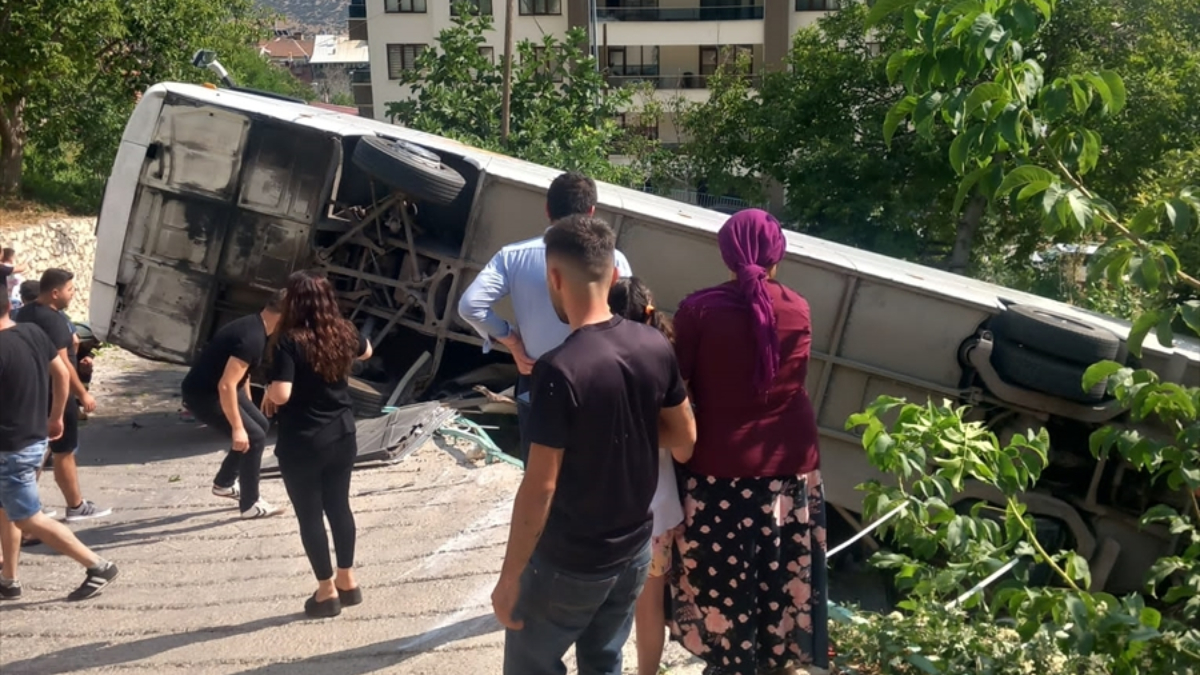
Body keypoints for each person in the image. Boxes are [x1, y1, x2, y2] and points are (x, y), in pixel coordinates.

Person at [491, 215, 696, 675]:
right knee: (604, 661)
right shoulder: (654, 346)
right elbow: (685, 436)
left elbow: (541, 487)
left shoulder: (557, 371)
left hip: (570, 560)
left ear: (555, 277)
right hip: (634, 552)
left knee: (531, 665)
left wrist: (509, 578)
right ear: (615, 275)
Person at [667, 209, 829, 675]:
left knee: (720, 580)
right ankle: (775, 661)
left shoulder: (698, 310)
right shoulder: (798, 307)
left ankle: (728, 662)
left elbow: (678, 385)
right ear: (779, 252)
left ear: (727, 252)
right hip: (790, 467)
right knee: (781, 575)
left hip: (719, 467)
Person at [457, 171, 634, 463]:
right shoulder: (613, 260)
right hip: (597, 382)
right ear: (591, 212)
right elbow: (628, 318)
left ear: (548, 210)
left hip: (539, 378)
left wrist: (512, 342)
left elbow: (470, 305)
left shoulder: (513, 256)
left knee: (540, 472)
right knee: (592, 471)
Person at [262, 269, 372, 618]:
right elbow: (367, 352)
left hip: (304, 441)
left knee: (309, 515)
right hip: (342, 433)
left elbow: (282, 393)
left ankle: (326, 592)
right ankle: (348, 581)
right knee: (339, 506)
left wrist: (266, 391)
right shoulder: (345, 331)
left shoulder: (289, 341)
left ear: (295, 302)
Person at [0, 292, 119, 602]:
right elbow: (63, 372)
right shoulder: (33, 333)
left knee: (27, 517)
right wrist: (55, 418)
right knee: (7, 509)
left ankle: (98, 566)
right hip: (33, 438)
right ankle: (9, 580)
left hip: (10, 448)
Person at [608, 277, 693, 675]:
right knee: (650, 603)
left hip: (602, 507)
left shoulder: (592, 360)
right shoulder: (665, 365)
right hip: (657, 508)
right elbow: (684, 449)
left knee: (597, 601)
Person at [13, 269, 110, 522]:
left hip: (31, 389)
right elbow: (64, 364)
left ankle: (25, 505)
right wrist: (82, 394)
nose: (73, 294)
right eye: (70, 290)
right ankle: (76, 506)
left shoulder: (23, 313)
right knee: (63, 451)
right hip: (56, 391)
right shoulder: (54, 320)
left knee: (37, 450)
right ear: (55, 293)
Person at [181, 291, 285, 519]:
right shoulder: (252, 338)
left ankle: (224, 483)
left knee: (260, 425)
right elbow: (226, 385)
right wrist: (238, 427)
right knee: (253, 436)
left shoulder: (256, 325)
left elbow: (242, 376)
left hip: (221, 388)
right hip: (204, 395)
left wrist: (247, 406)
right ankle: (250, 504)